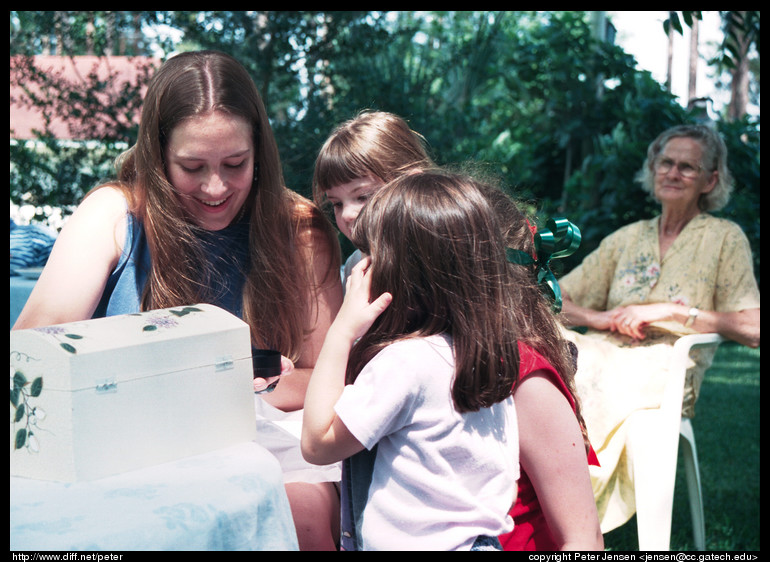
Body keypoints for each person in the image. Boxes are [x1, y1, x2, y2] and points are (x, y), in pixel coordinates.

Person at [12, 50, 344, 551]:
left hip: (258, 451)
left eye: (236, 164)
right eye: (192, 167)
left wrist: (231, 381)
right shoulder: (113, 215)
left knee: (305, 513)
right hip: (120, 456)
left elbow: (329, 377)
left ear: (261, 152)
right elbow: (29, 358)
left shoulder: (300, 231)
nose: (216, 188)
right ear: (157, 156)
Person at [314, 111, 602, 550]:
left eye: (366, 198)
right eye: (336, 203)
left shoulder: (521, 370)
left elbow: (581, 536)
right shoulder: (410, 333)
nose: (351, 218)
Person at [557, 124, 761, 533]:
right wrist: (599, 318)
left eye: (688, 166)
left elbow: (753, 327)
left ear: (711, 179)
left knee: (584, 373)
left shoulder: (724, 238)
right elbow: (554, 295)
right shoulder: (627, 238)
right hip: (601, 349)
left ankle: (567, 509)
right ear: (652, 168)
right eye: (666, 162)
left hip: (666, 366)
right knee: (541, 349)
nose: (673, 172)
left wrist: (668, 311)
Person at [312, 110, 433, 283]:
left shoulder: (445, 247)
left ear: (412, 184)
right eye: (337, 204)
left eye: (363, 196)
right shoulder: (354, 267)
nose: (347, 215)